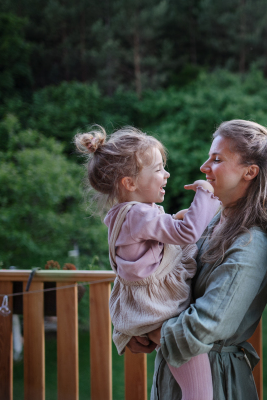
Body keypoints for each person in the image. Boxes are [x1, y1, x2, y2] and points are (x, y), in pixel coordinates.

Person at [126, 120, 267, 400]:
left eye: (216, 159)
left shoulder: (250, 243)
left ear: (249, 172)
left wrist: (152, 330)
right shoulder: (216, 221)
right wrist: (140, 324)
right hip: (180, 368)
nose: (204, 167)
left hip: (216, 382)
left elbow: (207, 324)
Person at [75, 126, 220, 400]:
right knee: (199, 392)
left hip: (150, 310)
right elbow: (188, 233)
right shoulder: (138, 214)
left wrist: (177, 219)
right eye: (157, 169)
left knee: (192, 388)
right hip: (159, 310)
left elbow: (156, 246)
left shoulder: (129, 214)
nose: (166, 174)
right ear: (130, 183)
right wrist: (207, 193)